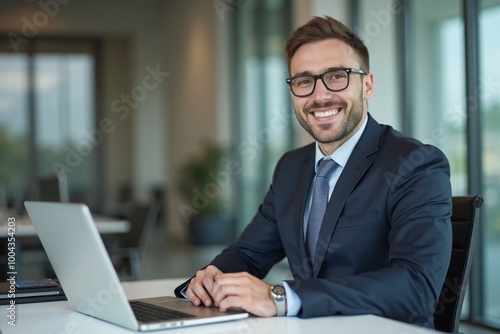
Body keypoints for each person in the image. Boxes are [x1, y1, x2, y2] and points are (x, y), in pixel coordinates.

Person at [174, 15, 452, 328]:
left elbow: (416, 287)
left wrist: (283, 298)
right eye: (304, 81)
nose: (319, 96)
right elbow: (249, 254)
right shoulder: (291, 168)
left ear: (368, 85)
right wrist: (212, 278)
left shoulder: (415, 163)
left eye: (336, 76)